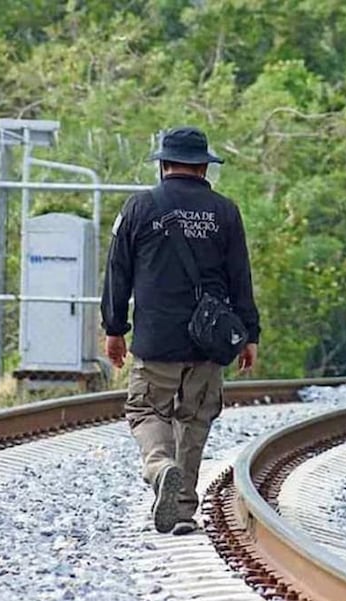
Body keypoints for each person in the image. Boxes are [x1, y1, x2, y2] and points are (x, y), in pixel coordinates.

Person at [101, 126, 260, 535]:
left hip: (156, 339)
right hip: (210, 339)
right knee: (195, 418)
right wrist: (250, 334)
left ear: (164, 164)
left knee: (146, 409)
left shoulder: (140, 207)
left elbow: (117, 272)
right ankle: (183, 509)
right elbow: (240, 277)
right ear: (204, 167)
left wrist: (114, 328)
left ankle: (160, 467)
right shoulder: (225, 211)